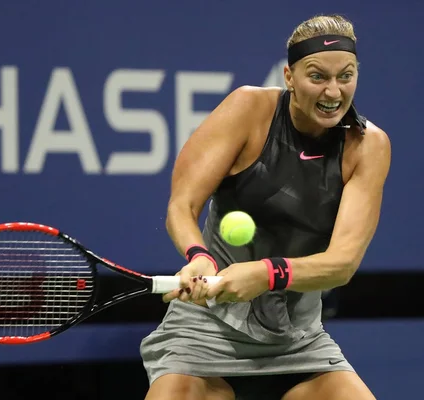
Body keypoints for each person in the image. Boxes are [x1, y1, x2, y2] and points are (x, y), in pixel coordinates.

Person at [140, 13, 391, 400]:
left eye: (346, 75)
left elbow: (341, 264)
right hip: (205, 329)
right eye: (317, 76)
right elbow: (182, 205)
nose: (333, 91)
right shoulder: (248, 109)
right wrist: (198, 255)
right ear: (289, 77)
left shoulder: (367, 146)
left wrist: (266, 274)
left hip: (299, 340)